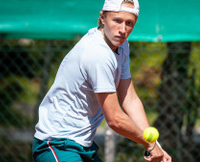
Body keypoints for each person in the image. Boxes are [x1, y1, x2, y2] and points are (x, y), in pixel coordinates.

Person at [32, 0, 172, 161]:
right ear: (102, 18)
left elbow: (130, 99)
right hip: (57, 144)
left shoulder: (122, 45)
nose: (123, 30)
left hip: (82, 145)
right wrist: (150, 145)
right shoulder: (97, 53)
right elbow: (115, 119)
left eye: (129, 23)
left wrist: (156, 145)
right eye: (117, 21)